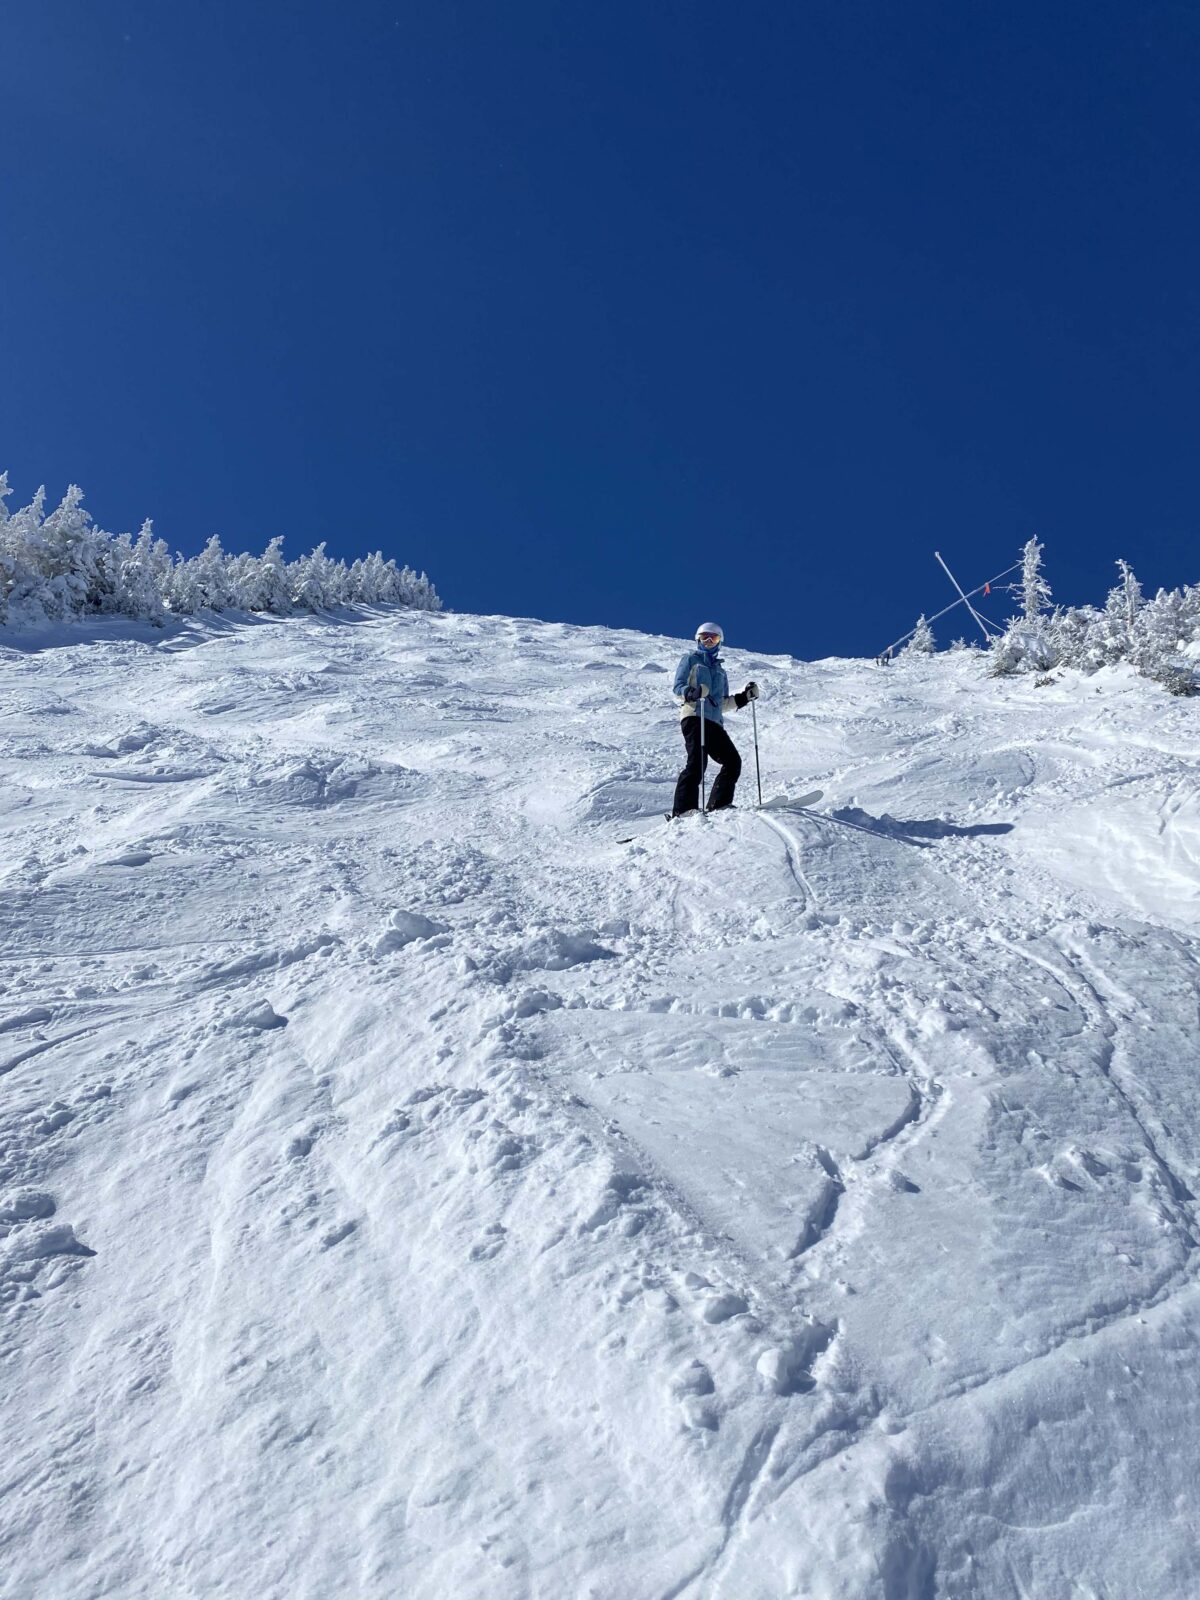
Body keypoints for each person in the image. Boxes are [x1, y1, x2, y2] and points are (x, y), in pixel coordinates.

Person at [671, 622, 759, 816]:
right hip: (694, 716)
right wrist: (692, 693)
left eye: (714, 638)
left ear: (720, 642)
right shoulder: (691, 660)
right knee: (696, 764)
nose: (709, 642)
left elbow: (721, 703)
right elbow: (678, 687)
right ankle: (683, 812)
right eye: (705, 638)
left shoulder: (721, 671)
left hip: (714, 722)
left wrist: (745, 697)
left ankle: (718, 805)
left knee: (732, 761)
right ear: (698, 640)